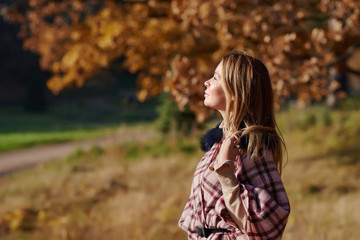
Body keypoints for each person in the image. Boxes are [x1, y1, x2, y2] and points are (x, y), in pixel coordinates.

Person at [178, 51, 290, 240]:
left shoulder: (251, 148)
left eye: (215, 78)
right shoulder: (220, 144)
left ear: (236, 92)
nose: (207, 82)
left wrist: (226, 171)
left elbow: (268, 226)